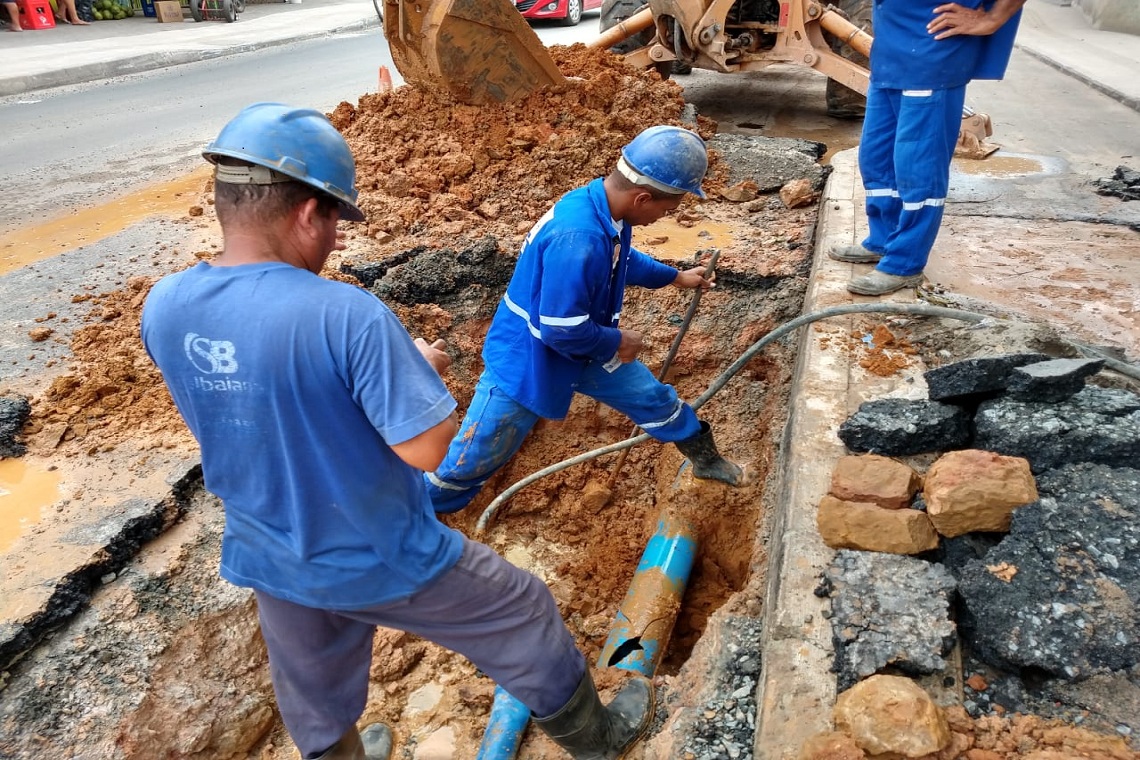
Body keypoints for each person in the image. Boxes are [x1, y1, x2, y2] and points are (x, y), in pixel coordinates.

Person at [141, 102, 654, 760]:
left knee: (311, 681)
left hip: (267, 548)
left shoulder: (165, 305)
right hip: (374, 550)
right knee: (522, 610)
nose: (334, 242)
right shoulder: (345, 315)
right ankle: (600, 740)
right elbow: (429, 448)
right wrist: (420, 371)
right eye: (333, 222)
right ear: (307, 214)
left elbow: (254, 406)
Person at [425, 125, 750, 516]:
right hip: (530, 357)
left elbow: (621, 261)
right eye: (667, 210)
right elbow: (560, 330)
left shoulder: (602, 209)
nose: (665, 217)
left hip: (584, 345)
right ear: (642, 197)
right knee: (475, 454)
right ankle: (420, 511)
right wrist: (617, 342)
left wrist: (676, 277)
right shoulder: (579, 237)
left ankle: (707, 461)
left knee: (653, 398)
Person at [830, 0, 1028, 296]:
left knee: (917, 168)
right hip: (889, 58)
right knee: (876, 160)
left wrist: (992, 19)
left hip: (932, 57)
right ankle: (883, 240)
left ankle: (904, 262)